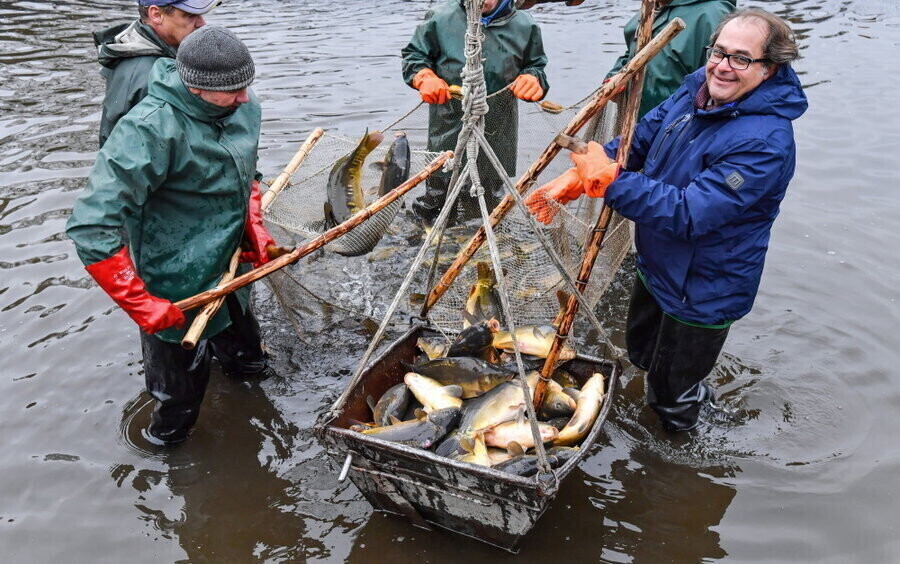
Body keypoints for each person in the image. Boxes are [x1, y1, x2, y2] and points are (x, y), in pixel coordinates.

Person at [526, 8, 807, 432]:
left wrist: (612, 183)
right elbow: (640, 139)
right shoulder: (697, 89)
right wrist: (582, 174)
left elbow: (689, 213)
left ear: (770, 69)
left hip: (704, 287)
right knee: (641, 354)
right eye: (718, 52)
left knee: (671, 398)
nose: (722, 66)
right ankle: (689, 395)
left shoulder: (766, 143)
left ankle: (682, 458)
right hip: (658, 264)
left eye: (741, 58)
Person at [67, 26, 282, 445]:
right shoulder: (147, 130)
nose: (244, 98)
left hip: (231, 268)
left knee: (249, 361)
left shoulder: (244, 105)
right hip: (174, 282)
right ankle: (167, 453)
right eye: (231, 91)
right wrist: (142, 303)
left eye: (246, 86)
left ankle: (250, 403)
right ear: (195, 88)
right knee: (178, 402)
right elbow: (90, 226)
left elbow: (248, 173)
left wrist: (253, 224)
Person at [401, 0, 549, 227]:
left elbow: (536, 66)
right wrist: (424, 77)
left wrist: (533, 78)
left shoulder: (525, 24)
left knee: (486, 206)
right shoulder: (440, 17)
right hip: (447, 128)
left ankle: (481, 249)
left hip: (498, 133)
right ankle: (425, 240)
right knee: (436, 201)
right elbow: (414, 57)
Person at [93, 0, 220, 147]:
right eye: (190, 15)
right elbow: (128, 157)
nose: (202, 23)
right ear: (156, 15)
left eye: (201, 15)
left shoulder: (165, 50)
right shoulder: (147, 78)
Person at [606, 0, 736, 119]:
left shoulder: (712, 15)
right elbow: (632, 52)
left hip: (676, 129)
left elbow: (723, 86)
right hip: (639, 126)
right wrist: (616, 76)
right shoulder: (651, 8)